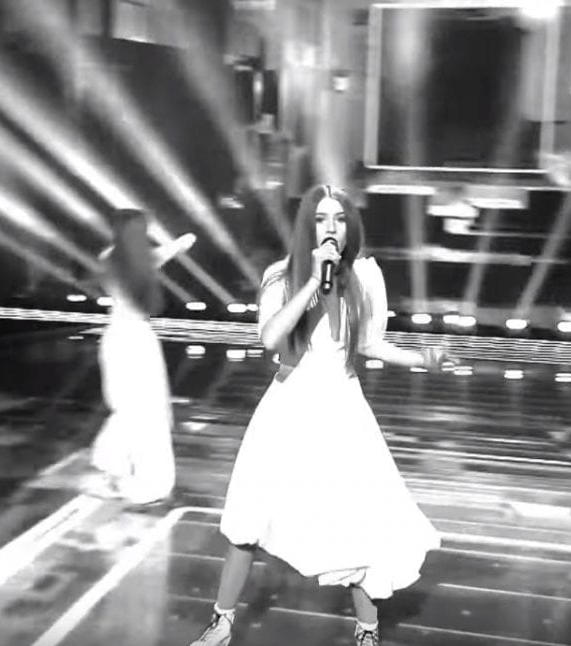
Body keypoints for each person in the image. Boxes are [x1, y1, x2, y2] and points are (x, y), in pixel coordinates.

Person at [189, 185, 447, 646]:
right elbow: (269, 338)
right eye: (322, 218)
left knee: (356, 520)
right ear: (308, 226)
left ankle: (367, 630)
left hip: (342, 410)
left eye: (340, 219)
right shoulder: (280, 275)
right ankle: (221, 623)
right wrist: (312, 282)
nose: (332, 228)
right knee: (250, 516)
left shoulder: (364, 276)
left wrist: (421, 359)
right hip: (288, 407)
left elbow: (370, 344)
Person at [87, 207, 195, 505]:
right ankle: (129, 474)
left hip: (129, 337)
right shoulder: (118, 259)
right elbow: (154, 260)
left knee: (140, 408)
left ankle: (117, 469)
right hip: (129, 339)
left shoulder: (122, 258)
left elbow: (160, 255)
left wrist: (179, 244)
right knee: (139, 409)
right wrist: (179, 244)